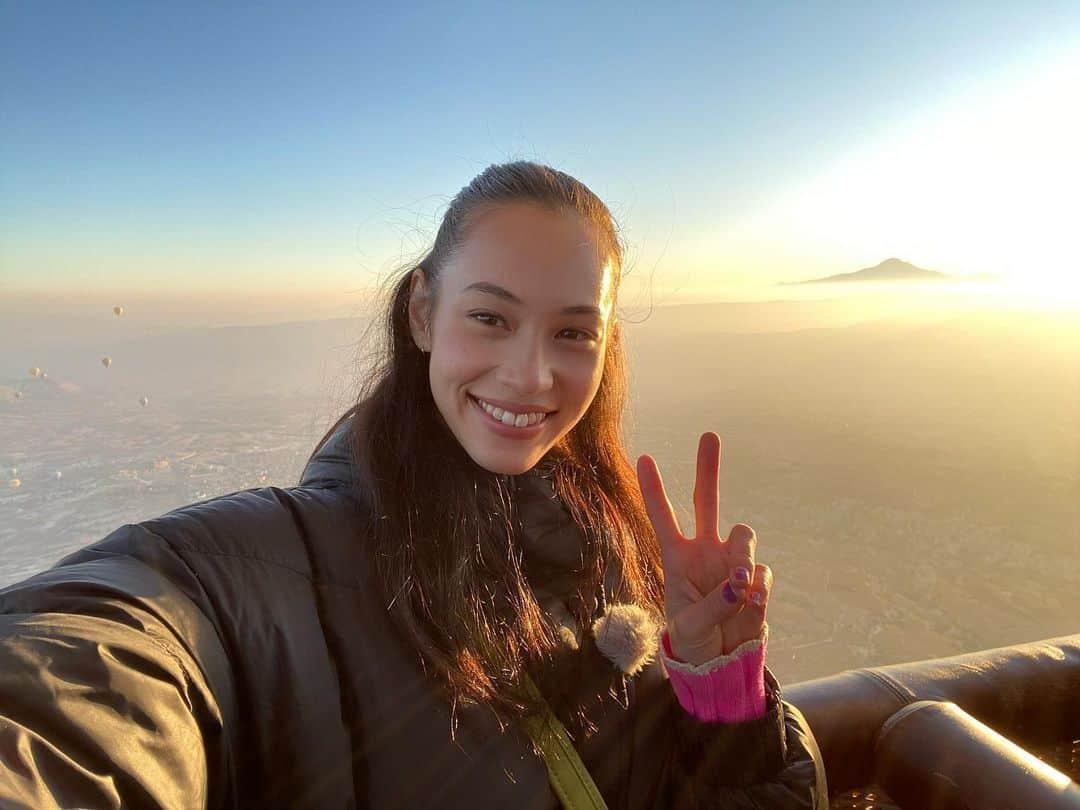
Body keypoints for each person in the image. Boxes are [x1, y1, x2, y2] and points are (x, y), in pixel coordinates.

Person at [0, 161, 827, 808]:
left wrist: (720, 690)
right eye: (490, 317)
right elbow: (112, 648)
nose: (533, 375)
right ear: (422, 313)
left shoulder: (617, 545)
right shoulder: (289, 561)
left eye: (574, 332)